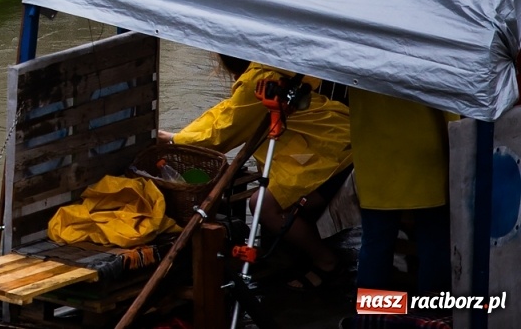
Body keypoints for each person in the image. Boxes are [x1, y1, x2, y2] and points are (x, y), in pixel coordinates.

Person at [164, 56, 353, 290]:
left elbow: (224, 132)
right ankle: (299, 253)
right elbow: (228, 112)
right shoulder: (272, 66)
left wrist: (175, 140)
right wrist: (177, 135)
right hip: (329, 142)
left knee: (263, 205)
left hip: (333, 152)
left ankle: (326, 262)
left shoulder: (260, 79)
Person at [349, 89, 452, 297]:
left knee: (376, 242)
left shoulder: (355, 54)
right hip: (426, 151)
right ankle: (430, 316)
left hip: (375, 153)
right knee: (433, 243)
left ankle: (374, 317)